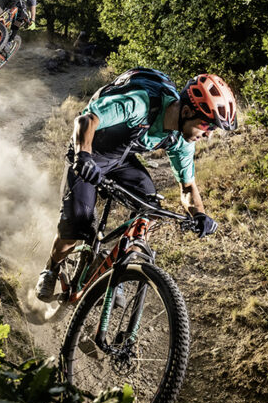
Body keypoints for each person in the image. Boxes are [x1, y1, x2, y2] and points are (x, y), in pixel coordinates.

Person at [34, 69, 238, 302]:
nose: (208, 135)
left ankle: (118, 268)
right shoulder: (139, 104)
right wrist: (83, 157)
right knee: (76, 223)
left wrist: (199, 214)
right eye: (208, 126)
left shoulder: (181, 140)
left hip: (121, 159)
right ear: (187, 111)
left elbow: (188, 187)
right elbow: (86, 120)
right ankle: (51, 269)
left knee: (150, 207)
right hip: (89, 150)